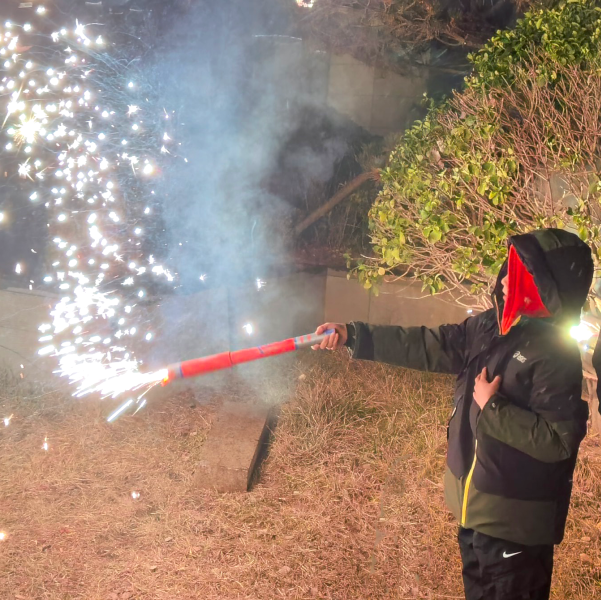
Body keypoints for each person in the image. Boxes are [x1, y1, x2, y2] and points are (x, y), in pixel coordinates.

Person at [313, 229, 593, 600]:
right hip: (475, 510)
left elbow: (558, 441)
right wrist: (354, 334)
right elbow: (431, 344)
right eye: (509, 268)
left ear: (547, 285)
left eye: (521, 273)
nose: (505, 280)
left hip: (515, 525)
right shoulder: (491, 326)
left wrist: (493, 408)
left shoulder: (556, 354)